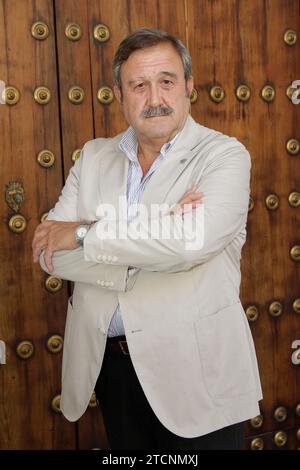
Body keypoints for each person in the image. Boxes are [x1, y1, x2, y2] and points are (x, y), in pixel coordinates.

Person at [32, 28, 262, 450]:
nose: (154, 98)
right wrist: (161, 235)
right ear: (119, 94)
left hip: (196, 373)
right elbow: (52, 257)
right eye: (139, 85)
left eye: (167, 82)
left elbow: (192, 242)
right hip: (113, 370)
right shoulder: (94, 156)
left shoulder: (224, 156)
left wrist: (84, 233)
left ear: (189, 86)